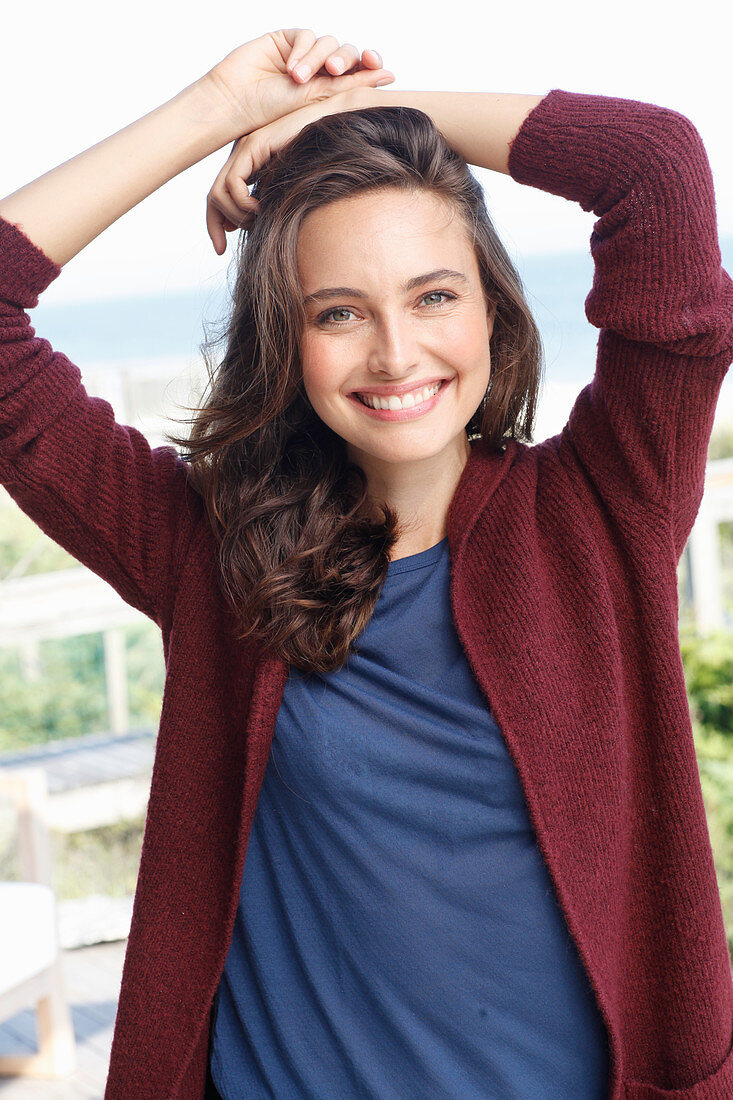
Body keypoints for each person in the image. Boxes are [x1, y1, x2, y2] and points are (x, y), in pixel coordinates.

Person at [1, 26, 732, 1100]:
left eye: (434, 294)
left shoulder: (604, 505)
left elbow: (653, 165)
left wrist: (352, 120)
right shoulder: (207, 547)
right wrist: (210, 110)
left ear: (491, 305)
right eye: (337, 313)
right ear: (283, 343)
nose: (395, 353)